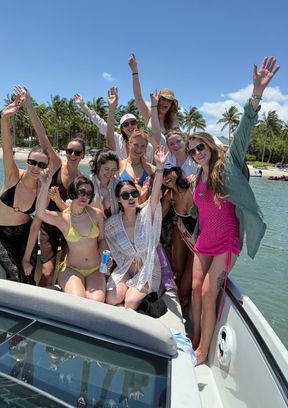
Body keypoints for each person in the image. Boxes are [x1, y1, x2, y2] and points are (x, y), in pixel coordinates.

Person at [188, 56, 280, 365]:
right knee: (193, 288)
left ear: (210, 147)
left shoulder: (226, 167)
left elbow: (243, 130)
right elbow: (201, 212)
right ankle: (195, 340)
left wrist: (256, 95)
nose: (197, 153)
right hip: (204, 242)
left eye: (201, 147)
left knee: (207, 293)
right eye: (192, 151)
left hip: (227, 242)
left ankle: (202, 351)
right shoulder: (198, 177)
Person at [15, 86, 85, 287]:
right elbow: (42, 136)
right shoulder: (56, 164)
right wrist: (29, 104)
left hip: (69, 228)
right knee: (47, 271)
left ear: (82, 155)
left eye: (77, 152)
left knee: (64, 271)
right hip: (48, 225)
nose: (72, 155)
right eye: (69, 150)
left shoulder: (82, 179)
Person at [0, 88, 48, 284]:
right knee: (15, 275)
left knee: (29, 275)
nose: (36, 168)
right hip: (0, 235)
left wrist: (26, 259)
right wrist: (4, 120)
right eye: (33, 162)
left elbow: (36, 225)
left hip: (25, 235)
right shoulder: (13, 176)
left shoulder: (42, 189)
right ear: (27, 161)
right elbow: (7, 149)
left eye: (42, 165)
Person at [105, 145, 168, 309]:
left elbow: (155, 195)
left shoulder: (146, 216)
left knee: (130, 302)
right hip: (125, 268)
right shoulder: (112, 224)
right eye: (125, 196)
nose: (131, 198)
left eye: (133, 194)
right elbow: (105, 243)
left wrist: (160, 167)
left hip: (148, 270)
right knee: (111, 299)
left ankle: (145, 292)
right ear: (119, 199)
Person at [36, 174, 107, 302]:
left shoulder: (96, 214)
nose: (85, 196)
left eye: (89, 194)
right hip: (72, 269)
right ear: (74, 191)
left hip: (95, 269)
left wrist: (106, 256)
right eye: (81, 192)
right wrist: (45, 185)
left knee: (97, 303)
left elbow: (101, 239)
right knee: (78, 301)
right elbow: (40, 213)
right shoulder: (63, 218)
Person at [74, 88, 154, 162]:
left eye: (132, 122)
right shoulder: (116, 138)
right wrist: (82, 104)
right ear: (122, 128)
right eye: (126, 124)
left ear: (137, 124)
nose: (130, 126)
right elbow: (98, 121)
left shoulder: (147, 145)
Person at [161, 163, 196, 307]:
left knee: (188, 275)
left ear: (176, 171)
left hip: (199, 236)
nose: (166, 177)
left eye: (168, 172)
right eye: (162, 176)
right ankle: (180, 306)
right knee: (177, 272)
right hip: (181, 232)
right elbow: (158, 215)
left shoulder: (193, 185)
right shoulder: (169, 195)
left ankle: (184, 301)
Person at [128, 53, 180, 132]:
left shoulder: (173, 120)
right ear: (158, 100)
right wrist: (135, 71)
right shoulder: (149, 114)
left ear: (172, 105)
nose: (166, 102)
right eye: (163, 98)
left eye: (169, 100)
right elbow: (138, 97)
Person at [118, 129, 155, 203]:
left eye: (143, 146)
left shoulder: (151, 169)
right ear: (129, 144)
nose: (139, 149)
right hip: (123, 212)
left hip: (144, 211)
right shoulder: (118, 165)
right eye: (136, 145)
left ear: (146, 148)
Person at [89, 147, 120, 218]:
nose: (110, 173)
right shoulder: (87, 184)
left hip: (114, 227)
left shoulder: (118, 184)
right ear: (98, 166)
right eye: (106, 169)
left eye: (114, 169)